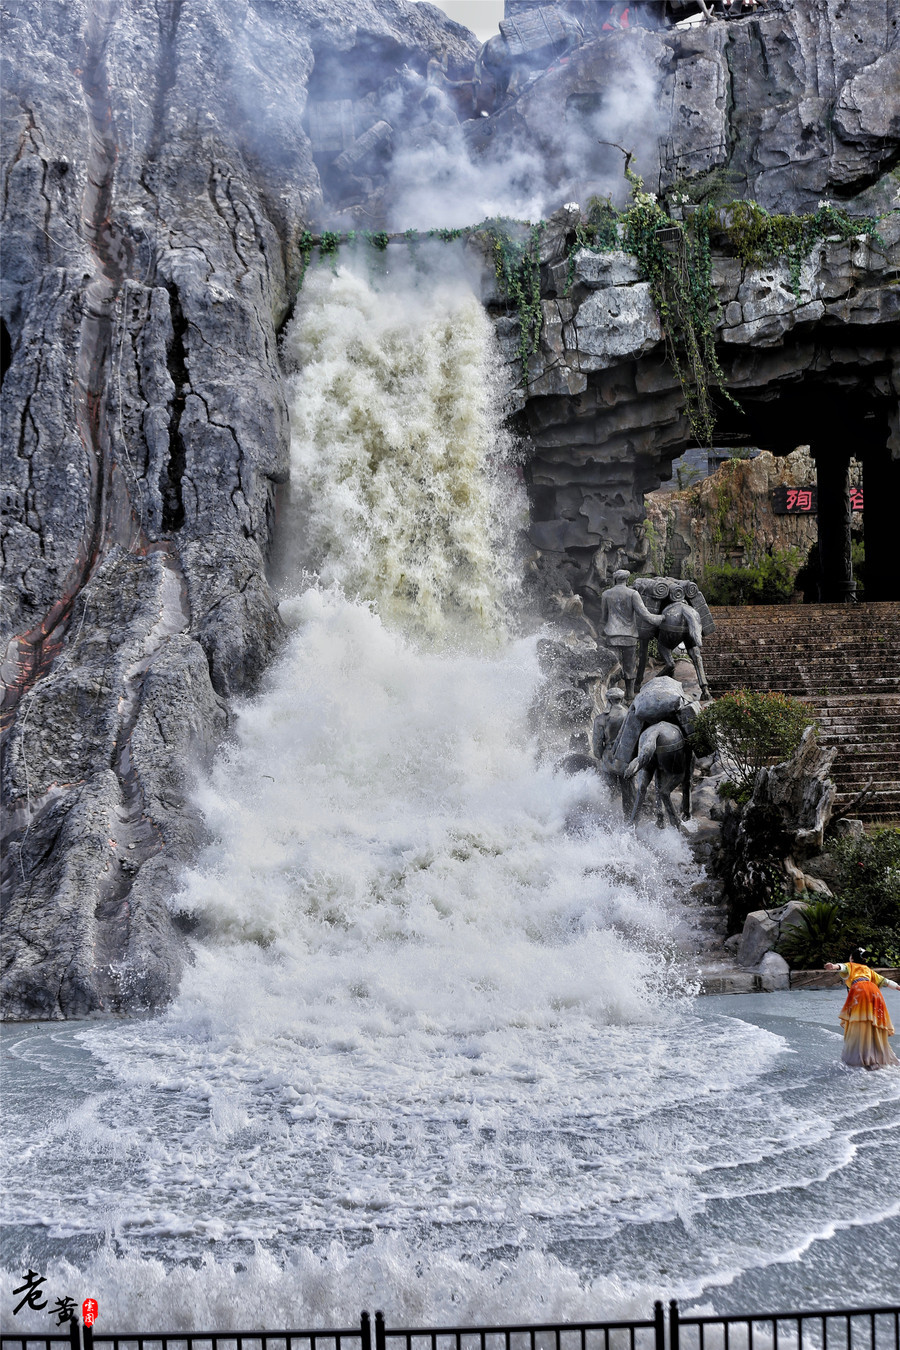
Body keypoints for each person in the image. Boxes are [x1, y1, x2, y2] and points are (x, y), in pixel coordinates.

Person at [824, 952, 900, 1069]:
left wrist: (833, 966)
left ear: (852, 958)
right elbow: (887, 982)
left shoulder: (851, 965)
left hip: (859, 990)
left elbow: (841, 966)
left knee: (858, 1020)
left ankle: (859, 1057)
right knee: (871, 1022)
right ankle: (876, 1056)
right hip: (875, 993)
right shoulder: (869, 970)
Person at [598, 569, 663, 703]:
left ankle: (611, 696)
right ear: (627, 580)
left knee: (613, 667)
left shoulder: (606, 594)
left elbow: (603, 618)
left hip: (612, 636)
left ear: (615, 579)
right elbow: (645, 615)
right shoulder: (633, 594)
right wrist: (660, 618)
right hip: (629, 636)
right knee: (629, 666)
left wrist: (600, 632)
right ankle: (629, 695)